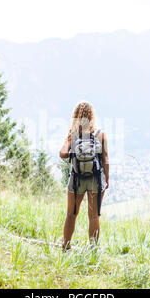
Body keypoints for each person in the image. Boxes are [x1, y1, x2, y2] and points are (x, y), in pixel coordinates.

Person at [59, 101, 109, 251]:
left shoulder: (72, 135)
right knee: (94, 216)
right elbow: (105, 159)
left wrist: (72, 152)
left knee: (71, 214)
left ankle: (66, 247)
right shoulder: (100, 135)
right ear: (92, 116)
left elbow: (62, 153)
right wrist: (106, 178)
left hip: (76, 179)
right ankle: (93, 250)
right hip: (95, 179)